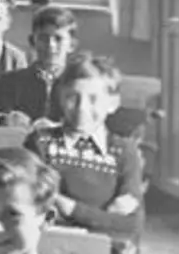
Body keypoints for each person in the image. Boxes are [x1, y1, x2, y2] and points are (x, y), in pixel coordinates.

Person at [22, 54, 145, 241]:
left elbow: (131, 223)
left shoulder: (124, 151)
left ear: (113, 104)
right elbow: (31, 206)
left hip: (104, 252)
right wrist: (103, 217)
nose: (82, 108)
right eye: (72, 97)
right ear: (61, 98)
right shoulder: (40, 143)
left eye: (93, 99)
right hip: (47, 244)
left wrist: (69, 207)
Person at [0, 5, 77, 127]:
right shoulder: (9, 82)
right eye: (43, 38)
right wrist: (5, 119)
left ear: (71, 45)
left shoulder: (78, 84)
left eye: (58, 39)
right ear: (32, 41)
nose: (50, 45)